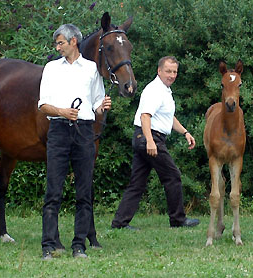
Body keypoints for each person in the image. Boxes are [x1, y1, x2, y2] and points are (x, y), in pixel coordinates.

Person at [38, 23, 111, 260]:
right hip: (59, 130)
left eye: (60, 42)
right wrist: (62, 111)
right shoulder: (51, 68)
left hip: (84, 131)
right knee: (53, 190)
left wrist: (102, 106)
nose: (57, 47)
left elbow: (96, 104)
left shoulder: (91, 69)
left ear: (73, 42)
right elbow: (42, 105)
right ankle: (48, 245)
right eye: (56, 43)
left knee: (84, 191)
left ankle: (79, 245)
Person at [111, 56, 200, 230]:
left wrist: (185, 132)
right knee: (172, 176)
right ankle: (178, 220)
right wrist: (150, 142)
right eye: (168, 71)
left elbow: (168, 116)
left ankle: (120, 223)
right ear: (159, 71)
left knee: (137, 183)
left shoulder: (165, 90)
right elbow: (145, 116)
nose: (172, 75)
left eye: (174, 71)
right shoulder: (155, 90)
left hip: (144, 138)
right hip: (149, 137)